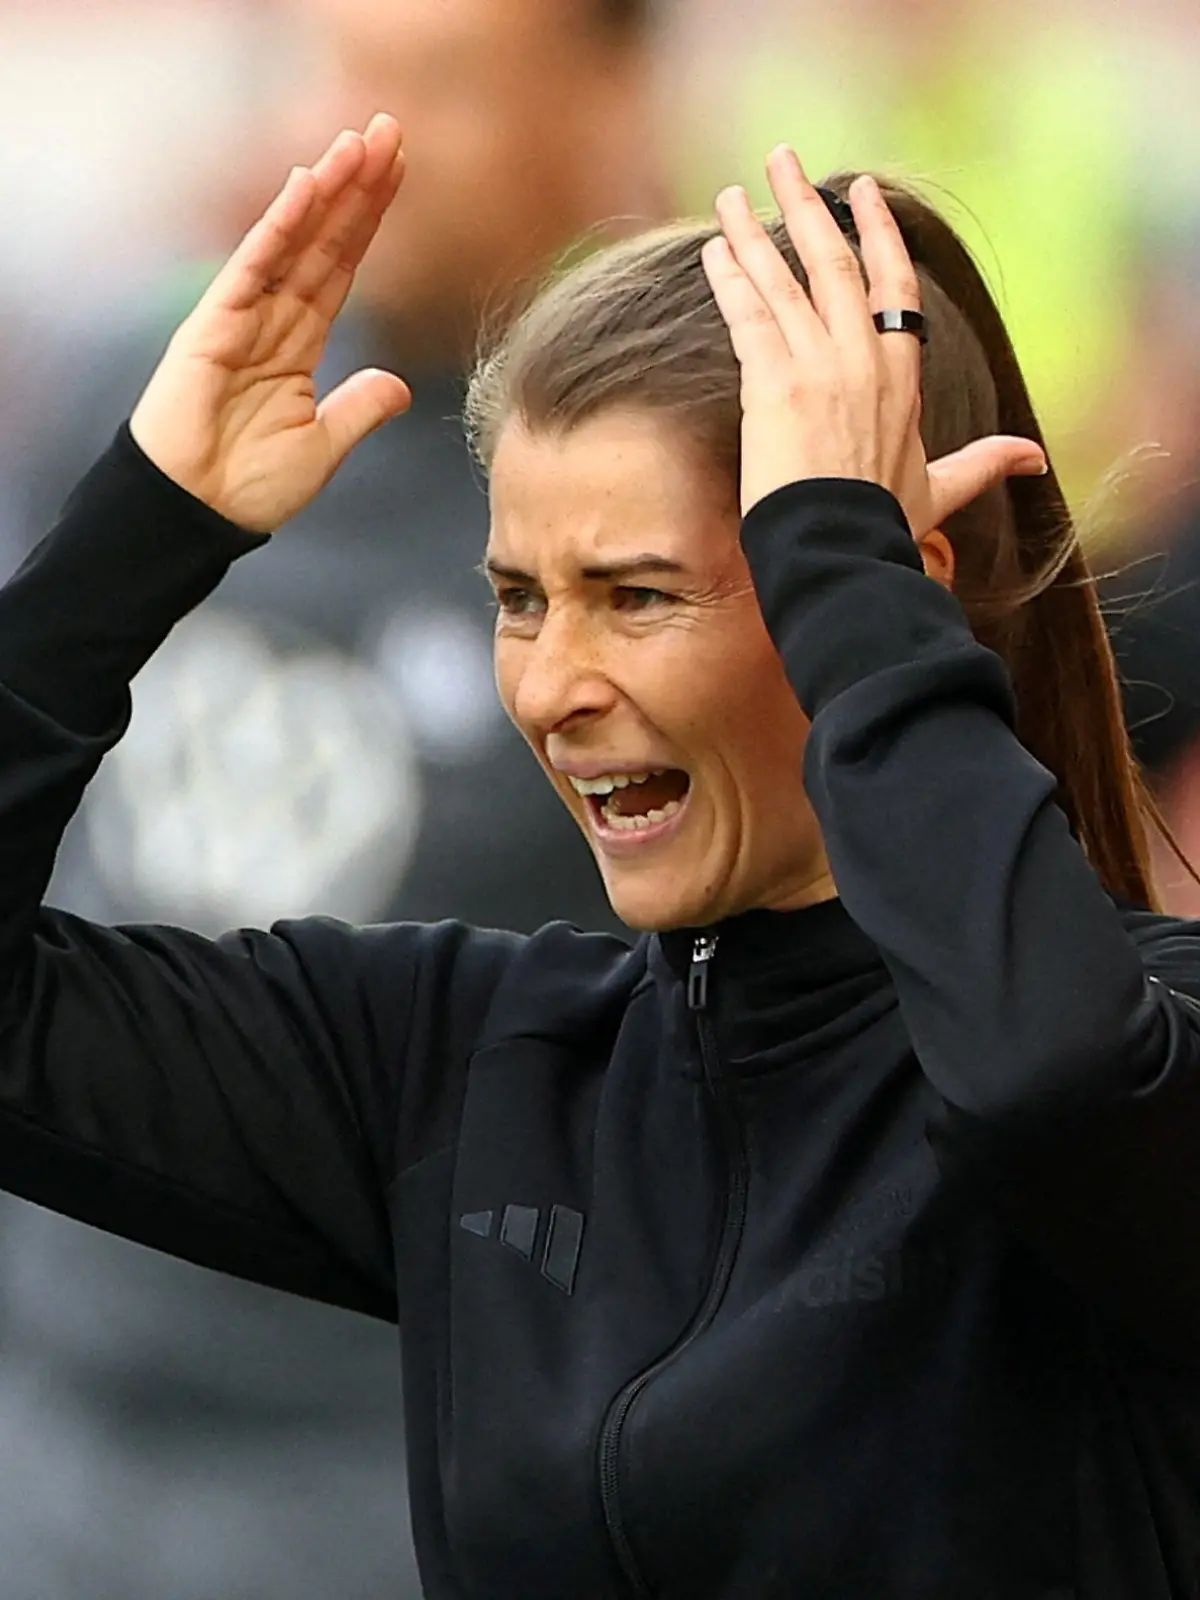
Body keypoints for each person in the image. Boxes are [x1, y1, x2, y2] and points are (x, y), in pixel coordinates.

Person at [3, 111, 1199, 1598]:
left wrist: (850, 578)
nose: (551, 688)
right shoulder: (472, 1062)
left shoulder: (1140, 1032)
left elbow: (1048, 1087)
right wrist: (135, 532)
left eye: (638, 597)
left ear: (884, 594)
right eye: (519, 599)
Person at [0, 5, 668, 1594]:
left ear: (607, 91)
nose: (362, 138)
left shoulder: (668, 475)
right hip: (64, 1411)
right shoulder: (163, 382)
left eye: (439, 83)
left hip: (403, 1453)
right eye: (343, 68)